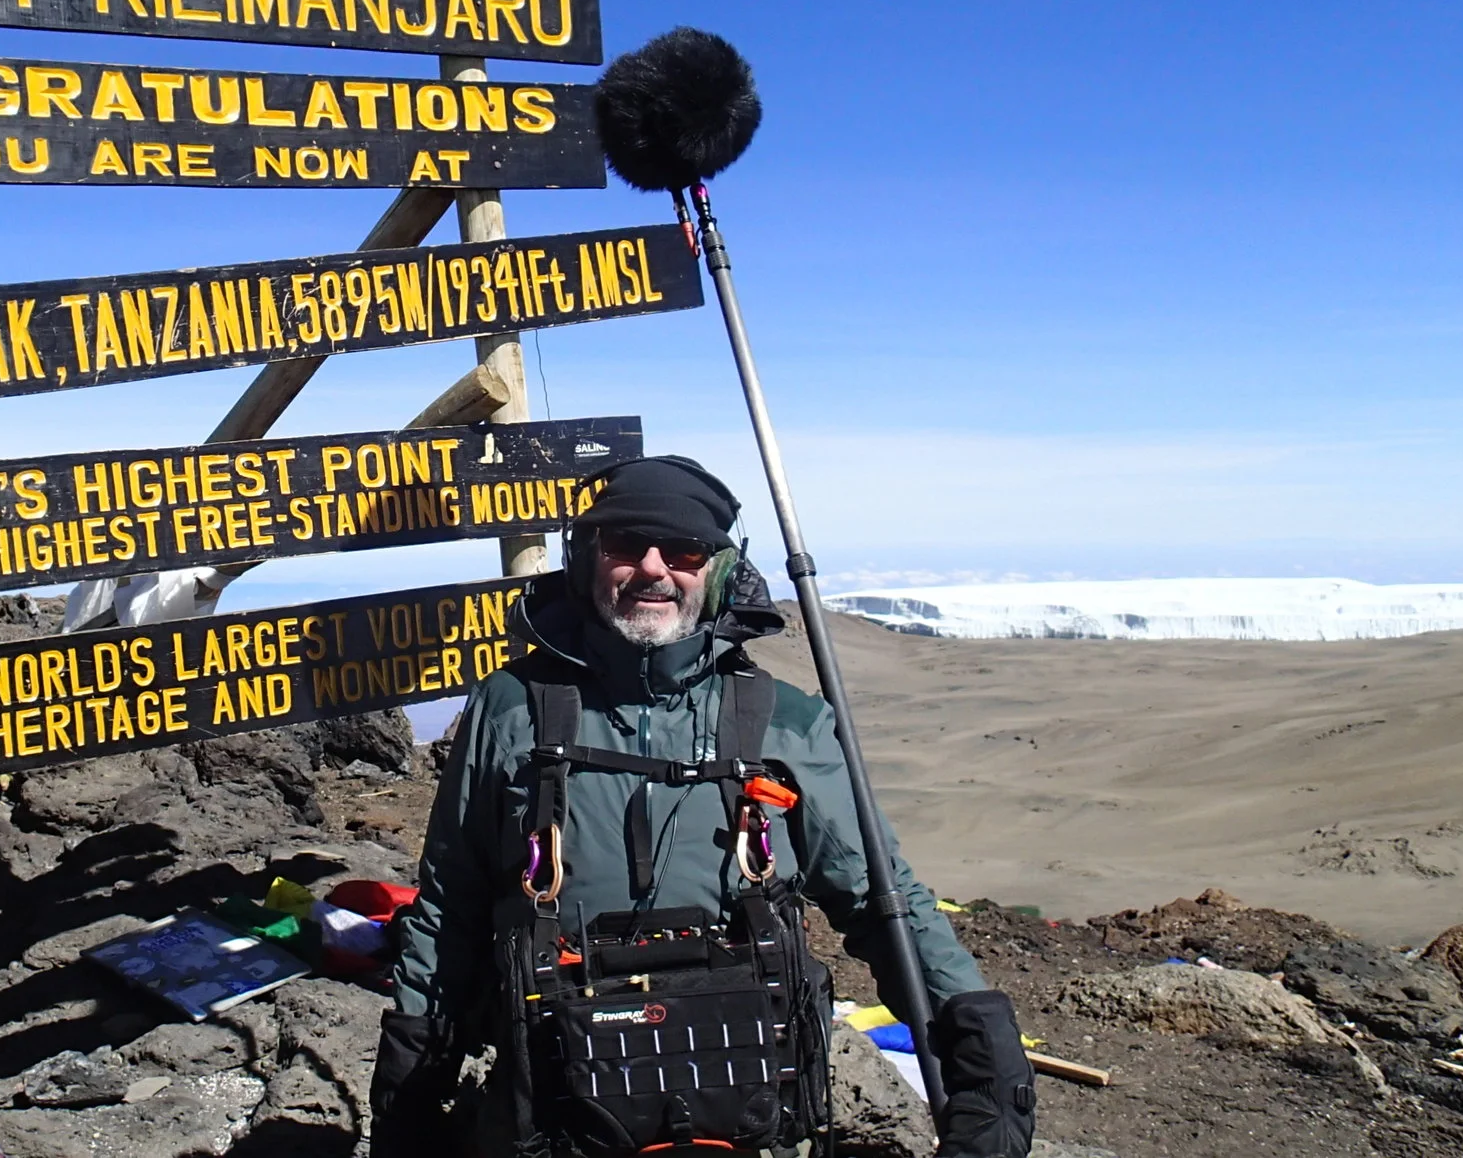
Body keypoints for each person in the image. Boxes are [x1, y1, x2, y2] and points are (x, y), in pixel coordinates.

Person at [372, 456, 1035, 1158]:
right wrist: (412, 1087)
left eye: (684, 550)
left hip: (747, 1119)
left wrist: (982, 1062)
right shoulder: (512, 712)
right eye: (627, 545)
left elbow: (883, 901)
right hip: (552, 1123)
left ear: (717, 570)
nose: (654, 569)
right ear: (588, 559)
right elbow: (450, 907)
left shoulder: (783, 722)